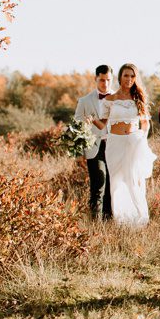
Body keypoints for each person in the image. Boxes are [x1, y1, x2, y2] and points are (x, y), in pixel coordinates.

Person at [101, 63, 155, 227]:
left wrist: (141, 141)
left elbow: (145, 124)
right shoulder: (109, 100)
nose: (129, 79)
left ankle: (139, 220)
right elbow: (103, 123)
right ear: (120, 77)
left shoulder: (139, 99)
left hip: (133, 143)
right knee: (116, 183)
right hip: (114, 144)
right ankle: (121, 221)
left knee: (133, 180)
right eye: (126, 75)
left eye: (132, 76)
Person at [72, 64, 113, 221]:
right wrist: (78, 153)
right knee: (98, 183)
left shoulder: (118, 99)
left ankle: (109, 220)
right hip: (94, 147)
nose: (105, 84)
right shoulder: (84, 101)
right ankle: (95, 222)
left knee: (112, 185)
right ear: (96, 79)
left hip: (115, 147)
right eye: (102, 80)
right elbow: (76, 128)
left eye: (108, 80)